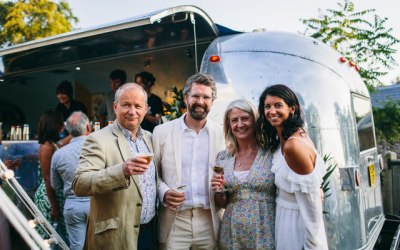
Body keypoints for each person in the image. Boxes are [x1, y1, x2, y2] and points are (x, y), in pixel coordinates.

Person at [72, 83, 157, 250]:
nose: (132, 111)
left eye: (138, 106)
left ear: (145, 109)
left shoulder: (150, 138)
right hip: (116, 236)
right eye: (126, 105)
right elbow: (79, 183)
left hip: (149, 233)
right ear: (115, 107)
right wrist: (121, 171)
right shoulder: (97, 139)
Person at [153, 73, 225, 249]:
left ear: (212, 101)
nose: (200, 101)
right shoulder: (161, 132)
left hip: (210, 220)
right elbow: (153, 174)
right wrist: (164, 192)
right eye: (195, 96)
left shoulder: (222, 134)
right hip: (175, 221)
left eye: (206, 97)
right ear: (186, 98)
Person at [256, 84, 328, 250]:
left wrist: (313, 246)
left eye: (278, 105)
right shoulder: (289, 137)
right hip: (285, 217)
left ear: (292, 109)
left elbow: (312, 208)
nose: (272, 111)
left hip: (297, 225)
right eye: (267, 106)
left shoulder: (293, 146)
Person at [210, 99, 275, 249]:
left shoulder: (271, 153)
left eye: (245, 118)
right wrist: (219, 190)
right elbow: (223, 203)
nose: (240, 124)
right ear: (229, 126)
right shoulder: (223, 158)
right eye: (234, 120)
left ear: (255, 120)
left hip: (265, 231)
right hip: (231, 233)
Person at [51, 111, 91, 250]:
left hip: (72, 205)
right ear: (88, 128)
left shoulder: (58, 154)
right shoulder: (99, 148)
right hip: (98, 203)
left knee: (76, 247)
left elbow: (55, 185)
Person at [34, 109, 70, 244]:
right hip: (48, 198)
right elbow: (47, 179)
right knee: (47, 239)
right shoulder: (46, 148)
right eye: (61, 122)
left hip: (54, 195)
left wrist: (76, 133)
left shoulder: (52, 144)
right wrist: (54, 205)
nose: (63, 124)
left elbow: (62, 144)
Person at [4, 141, 40, 218]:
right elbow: (6, 158)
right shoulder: (15, 143)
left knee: (37, 214)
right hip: (21, 183)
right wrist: (24, 157)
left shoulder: (37, 143)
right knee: (21, 213)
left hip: (37, 183)